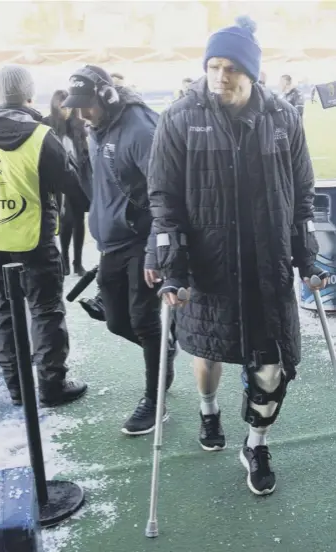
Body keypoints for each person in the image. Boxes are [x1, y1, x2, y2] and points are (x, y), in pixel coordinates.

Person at [146, 16, 326, 495]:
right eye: (213, 66)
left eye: (231, 68)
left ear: (252, 73)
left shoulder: (283, 117)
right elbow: (163, 199)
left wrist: (307, 257)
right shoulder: (180, 117)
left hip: (266, 265)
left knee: (270, 366)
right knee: (208, 352)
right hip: (209, 265)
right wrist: (173, 269)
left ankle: (256, 441)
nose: (220, 77)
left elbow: (302, 193)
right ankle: (209, 409)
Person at [0, 64, 87, 407]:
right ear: (29, 95)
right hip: (36, 241)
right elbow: (73, 188)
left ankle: (16, 388)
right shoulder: (43, 136)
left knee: (2, 313)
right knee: (46, 312)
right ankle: (52, 386)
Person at [62, 65, 177, 435]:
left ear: (108, 96)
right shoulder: (97, 127)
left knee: (144, 321)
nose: (81, 113)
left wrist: (155, 252)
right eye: (76, 106)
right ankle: (164, 347)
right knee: (115, 322)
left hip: (141, 242)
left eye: (87, 104)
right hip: (111, 244)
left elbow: (167, 194)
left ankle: (155, 400)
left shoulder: (141, 129)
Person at [43, 90, 91, 276]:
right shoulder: (47, 124)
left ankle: (77, 262)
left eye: (69, 107)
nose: (67, 111)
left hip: (78, 179)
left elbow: (84, 152)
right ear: (55, 106)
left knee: (79, 220)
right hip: (58, 181)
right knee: (65, 220)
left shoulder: (78, 125)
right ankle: (64, 260)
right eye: (63, 107)